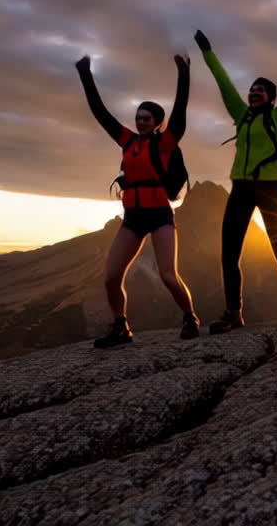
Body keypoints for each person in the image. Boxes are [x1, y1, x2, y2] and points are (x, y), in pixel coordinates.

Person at [195, 30, 277, 335]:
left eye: (260, 90)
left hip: (269, 190)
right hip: (240, 188)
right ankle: (233, 313)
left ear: (271, 97)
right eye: (252, 89)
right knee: (229, 253)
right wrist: (207, 52)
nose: (253, 92)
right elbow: (223, 81)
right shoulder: (241, 115)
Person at [75, 53, 199, 348]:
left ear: (157, 122)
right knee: (111, 277)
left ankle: (190, 317)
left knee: (169, 275)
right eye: (138, 118)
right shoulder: (127, 140)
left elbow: (180, 109)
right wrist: (85, 75)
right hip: (132, 217)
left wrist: (184, 72)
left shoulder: (166, 143)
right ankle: (121, 327)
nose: (140, 122)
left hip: (159, 215)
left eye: (146, 118)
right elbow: (99, 111)